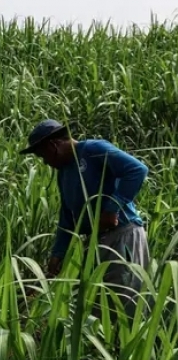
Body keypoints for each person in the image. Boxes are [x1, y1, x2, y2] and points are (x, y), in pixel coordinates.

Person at [20, 119, 151, 325]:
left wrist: (112, 208)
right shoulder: (64, 173)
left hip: (123, 235)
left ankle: (129, 353)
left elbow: (137, 170)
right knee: (97, 306)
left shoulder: (93, 149)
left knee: (124, 303)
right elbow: (67, 217)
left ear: (53, 146)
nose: (44, 162)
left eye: (42, 155)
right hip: (97, 240)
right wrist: (58, 254)